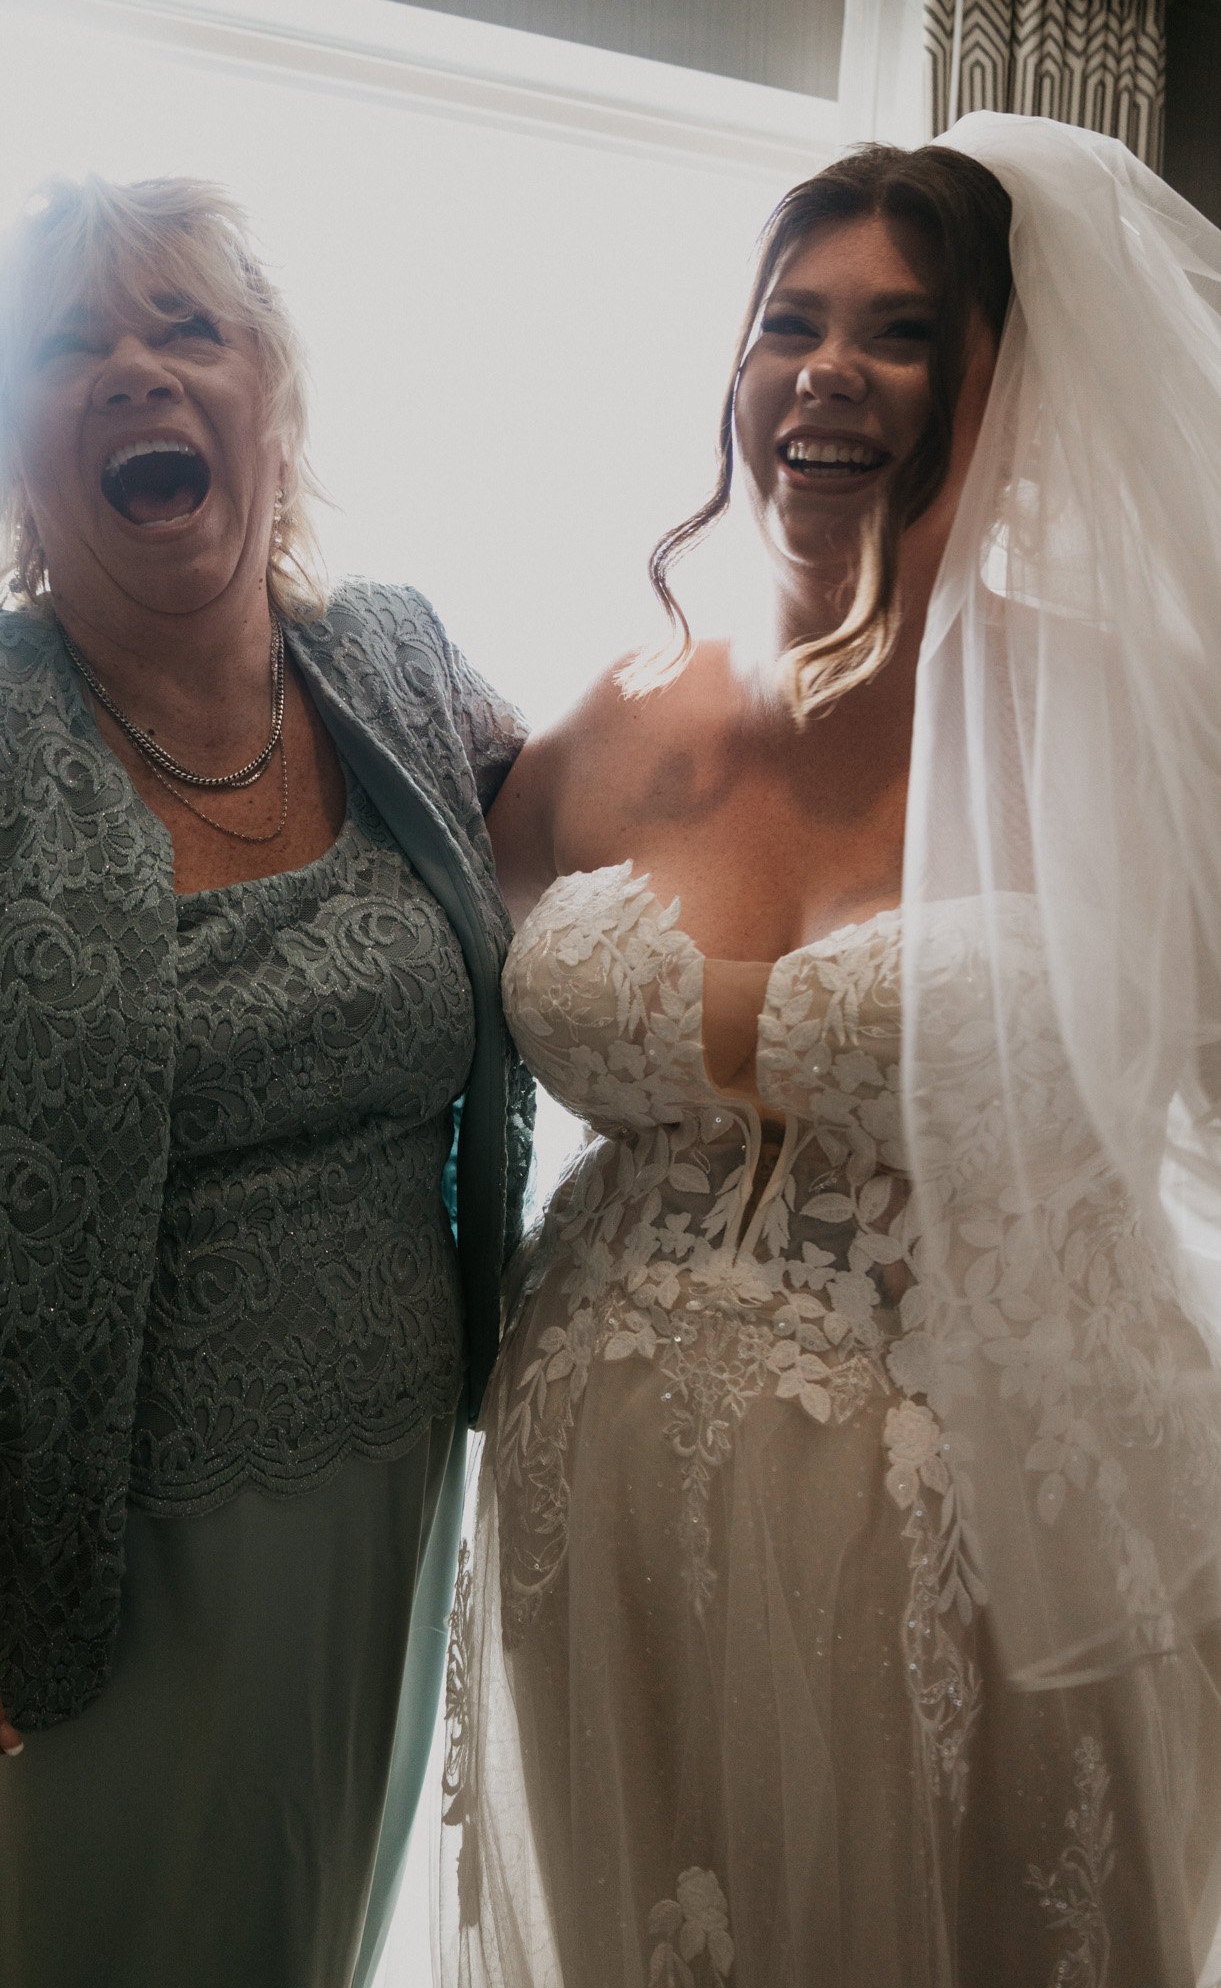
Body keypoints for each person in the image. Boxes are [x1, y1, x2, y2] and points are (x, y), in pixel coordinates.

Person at [439, 115, 1221, 1986]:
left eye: (901, 331)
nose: (829, 372)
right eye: (791, 319)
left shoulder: (1127, 724)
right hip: (604, 1523)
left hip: (987, 1557)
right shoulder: (601, 727)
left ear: (1004, 383)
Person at [0, 174, 531, 1988]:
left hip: (371, 1518)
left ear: (273, 403)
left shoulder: (396, 662)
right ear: (11, 444)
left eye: (187, 330)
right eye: (71, 347)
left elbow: (640, 862)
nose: (136, 373)